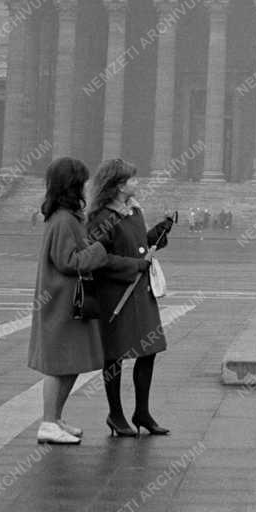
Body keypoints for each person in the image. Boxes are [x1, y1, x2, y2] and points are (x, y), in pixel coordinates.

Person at [27, 156, 149, 445]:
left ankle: (56, 419)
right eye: (81, 181)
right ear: (71, 186)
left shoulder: (69, 219)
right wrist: (98, 251)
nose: (86, 186)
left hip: (69, 302)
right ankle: (47, 423)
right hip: (60, 303)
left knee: (69, 364)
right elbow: (67, 261)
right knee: (58, 366)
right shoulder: (63, 221)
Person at [88, 158, 175, 437]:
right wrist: (134, 265)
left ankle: (142, 412)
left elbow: (138, 246)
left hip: (140, 291)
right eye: (133, 179)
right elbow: (99, 258)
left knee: (148, 351)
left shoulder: (134, 212)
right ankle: (115, 414)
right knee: (114, 356)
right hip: (116, 295)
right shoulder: (101, 218)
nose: (138, 183)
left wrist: (159, 232)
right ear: (119, 186)